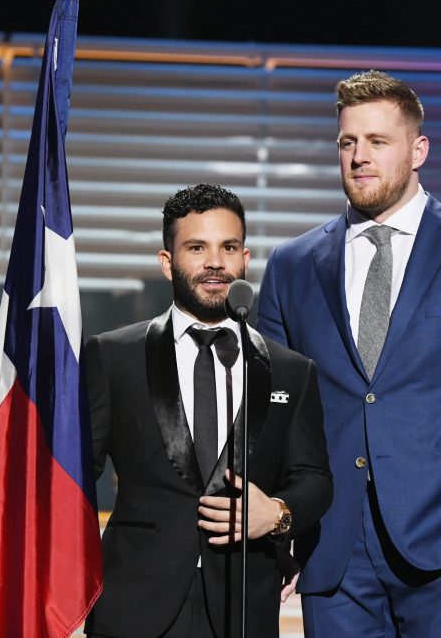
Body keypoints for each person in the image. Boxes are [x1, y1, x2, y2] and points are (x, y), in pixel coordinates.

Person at [257, 71, 441, 637]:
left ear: (418, 149)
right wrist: (286, 521)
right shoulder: (293, 264)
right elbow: (271, 409)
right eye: (348, 142)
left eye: (378, 141)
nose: (359, 157)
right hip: (333, 547)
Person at [83, 183, 333, 638]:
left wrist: (278, 513)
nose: (215, 262)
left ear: (245, 260)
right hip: (136, 601)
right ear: (168, 262)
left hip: (243, 603)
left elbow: (314, 478)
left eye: (228, 247)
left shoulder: (291, 371)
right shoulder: (112, 356)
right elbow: (73, 474)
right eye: (196, 247)